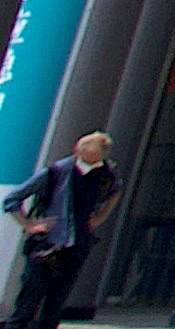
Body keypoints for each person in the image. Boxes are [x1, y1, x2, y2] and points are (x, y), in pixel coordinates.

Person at [10, 131, 114, 329]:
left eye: (95, 161)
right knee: (29, 300)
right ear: (78, 151)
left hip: (77, 245)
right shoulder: (56, 172)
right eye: (87, 160)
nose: (91, 166)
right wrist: (29, 225)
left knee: (56, 303)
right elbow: (13, 199)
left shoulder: (106, 173)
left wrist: (100, 217)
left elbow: (115, 190)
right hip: (47, 246)